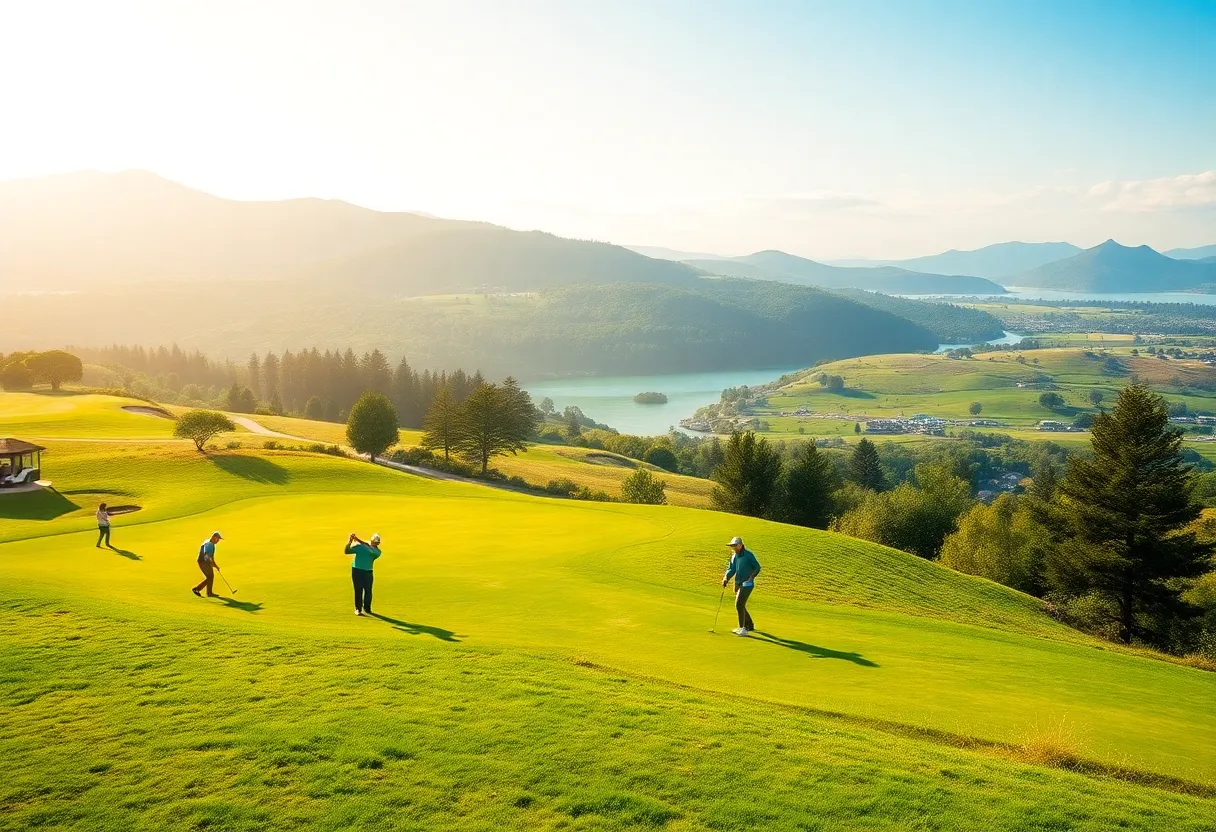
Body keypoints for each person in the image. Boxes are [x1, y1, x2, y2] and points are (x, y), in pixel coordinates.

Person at [722, 536, 761, 636]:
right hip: (738, 583)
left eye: (734, 546)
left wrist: (752, 577)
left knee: (739, 604)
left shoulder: (748, 555)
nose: (733, 548)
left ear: (740, 545)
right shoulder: (734, 556)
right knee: (741, 604)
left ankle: (742, 628)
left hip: (747, 584)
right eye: (732, 546)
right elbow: (732, 569)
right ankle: (749, 625)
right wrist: (726, 578)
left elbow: (757, 567)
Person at [345, 532, 381, 616]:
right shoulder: (362, 546)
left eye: (377, 543)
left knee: (368, 590)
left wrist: (357, 539)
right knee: (358, 590)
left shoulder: (377, 552)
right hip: (356, 570)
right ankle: (358, 609)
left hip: (368, 572)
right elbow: (346, 551)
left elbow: (369, 549)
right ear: (372, 541)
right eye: (375, 542)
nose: (376, 544)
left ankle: (367, 609)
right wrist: (350, 542)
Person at [192, 531, 223, 597]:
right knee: (210, 577)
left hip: (205, 562)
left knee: (210, 577)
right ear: (214, 537)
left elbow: (211, 557)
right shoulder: (209, 544)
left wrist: (215, 565)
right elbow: (206, 555)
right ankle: (197, 589)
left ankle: (208, 592)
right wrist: (209, 563)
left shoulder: (212, 545)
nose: (218, 541)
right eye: (218, 539)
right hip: (203, 562)